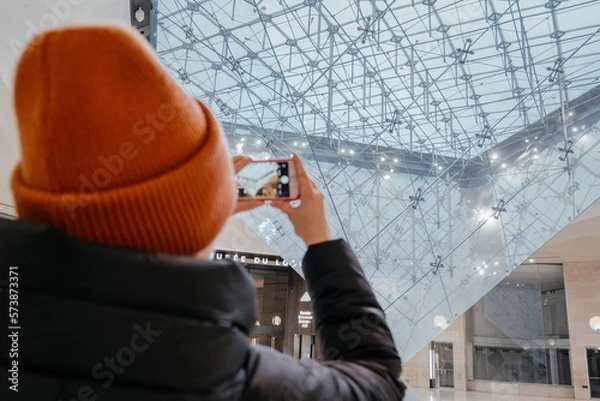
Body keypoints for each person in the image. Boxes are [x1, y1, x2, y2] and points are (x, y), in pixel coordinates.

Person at [0, 25, 406, 400]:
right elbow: (378, 382)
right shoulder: (226, 377)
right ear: (194, 212)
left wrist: (191, 206)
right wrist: (320, 242)